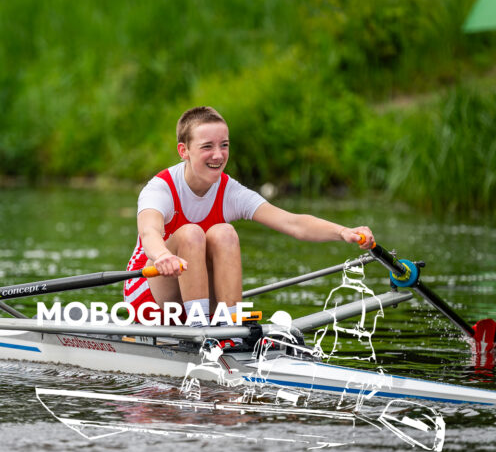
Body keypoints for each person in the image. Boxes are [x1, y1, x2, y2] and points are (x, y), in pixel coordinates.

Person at [124, 106, 374, 326]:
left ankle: (230, 328)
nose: (218, 155)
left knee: (225, 233)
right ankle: (201, 330)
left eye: (224, 145)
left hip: (196, 300)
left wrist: (343, 231)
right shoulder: (161, 188)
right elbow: (149, 232)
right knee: (191, 233)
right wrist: (163, 256)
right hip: (150, 297)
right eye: (207, 146)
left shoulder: (230, 191)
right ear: (184, 150)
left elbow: (293, 223)